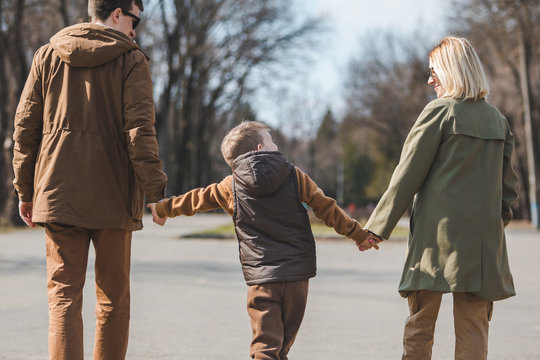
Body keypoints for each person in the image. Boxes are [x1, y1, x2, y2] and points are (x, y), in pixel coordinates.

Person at [12, 0, 168, 358]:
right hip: (113, 198)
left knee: (63, 298)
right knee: (113, 300)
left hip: (57, 192)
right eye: (135, 21)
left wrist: (25, 188)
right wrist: (156, 191)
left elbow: (25, 130)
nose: (135, 30)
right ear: (118, 13)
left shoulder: (47, 56)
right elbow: (140, 132)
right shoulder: (131, 60)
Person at [148, 121, 379, 360]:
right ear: (261, 148)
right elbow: (327, 209)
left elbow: (197, 199)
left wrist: (163, 209)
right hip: (297, 276)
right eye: (272, 141)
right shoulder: (295, 176)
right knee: (280, 347)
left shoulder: (231, 186)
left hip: (262, 279)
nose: (276, 145)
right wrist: (358, 234)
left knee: (266, 347)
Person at [363, 36, 518, 360]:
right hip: (482, 244)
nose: (429, 79)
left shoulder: (439, 112)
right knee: (474, 326)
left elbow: (407, 174)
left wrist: (377, 227)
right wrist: (492, 224)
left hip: (437, 240)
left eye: (434, 71)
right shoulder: (497, 120)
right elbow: (508, 191)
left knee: (421, 321)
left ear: (452, 71)